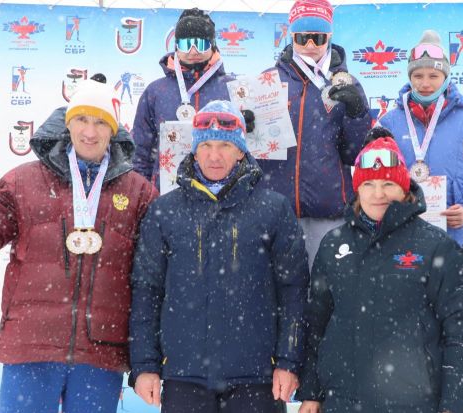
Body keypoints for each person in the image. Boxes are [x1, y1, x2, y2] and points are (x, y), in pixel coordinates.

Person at [0, 74, 158, 413]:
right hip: (32, 343)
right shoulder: (24, 181)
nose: (90, 132)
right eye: (82, 119)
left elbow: (154, 275)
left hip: (100, 352)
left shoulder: (138, 192)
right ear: (67, 123)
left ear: (114, 129)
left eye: (101, 122)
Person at [129, 100, 309, 413]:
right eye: (206, 145)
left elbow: (293, 291)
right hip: (184, 375)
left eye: (225, 145)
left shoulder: (274, 209)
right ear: (194, 151)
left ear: (241, 151)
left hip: (257, 377)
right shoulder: (164, 211)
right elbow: (147, 291)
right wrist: (145, 365)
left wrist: (288, 361)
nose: (214, 156)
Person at [297, 128, 463, 413]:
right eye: (369, 184)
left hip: (413, 403)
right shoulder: (334, 244)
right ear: (357, 189)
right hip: (343, 401)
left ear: (404, 188)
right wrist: (311, 392)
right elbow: (316, 325)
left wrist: (454, 404)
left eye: (388, 183)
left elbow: (461, 331)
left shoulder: (436, 246)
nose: (378, 194)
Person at [258, 0, 372, 262]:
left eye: (318, 38)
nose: (310, 45)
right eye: (302, 37)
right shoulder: (268, 81)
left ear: (329, 36)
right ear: (291, 36)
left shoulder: (347, 83)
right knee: (278, 283)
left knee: (326, 282)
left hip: (328, 210)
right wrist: (249, 126)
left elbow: (355, 154)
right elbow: (254, 152)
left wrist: (357, 115)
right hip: (277, 209)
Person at [378, 30, 463, 246]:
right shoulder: (387, 124)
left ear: (446, 77)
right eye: (418, 76)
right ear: (410, 77)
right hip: (401, 238)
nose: (425, 83)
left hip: (454, 240)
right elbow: (372, 179)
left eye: (433, 76)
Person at [132, 8, 234, 188]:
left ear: (213, 45)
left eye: (201, 44)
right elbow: (141, 151)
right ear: (176, 46)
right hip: (167, 192)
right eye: (186, 44)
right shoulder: (155, 91)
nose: (193, 51)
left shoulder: (232, 88)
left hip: (221, 193)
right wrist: (144, 193)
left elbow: (248, 148)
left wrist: (251, 126)